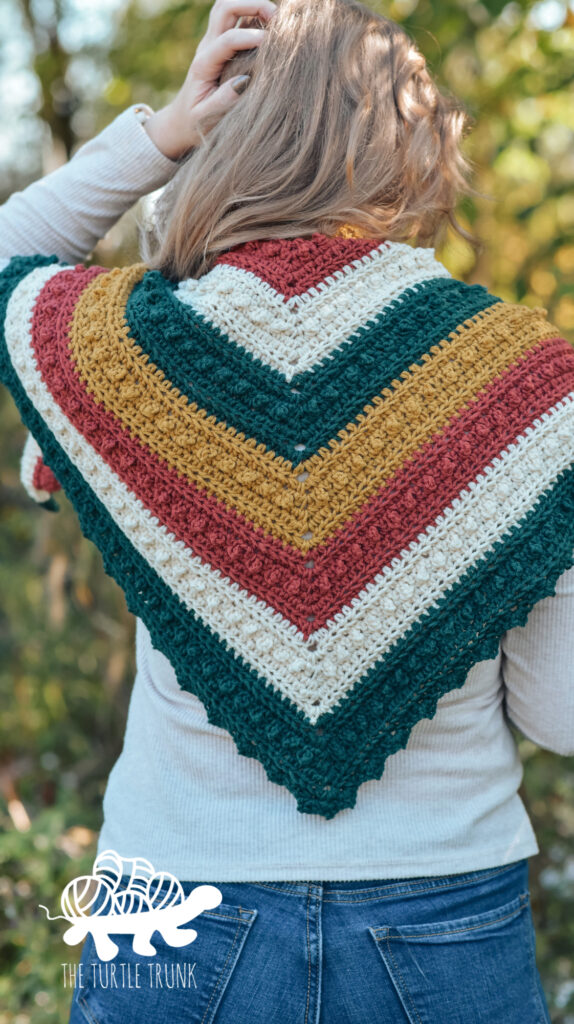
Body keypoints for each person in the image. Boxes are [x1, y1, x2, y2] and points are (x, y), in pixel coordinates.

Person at [0, 0, 573, 1020]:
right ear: (413, 144)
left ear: (236, 132)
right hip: (441, 907)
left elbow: (12, 251)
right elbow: (558, 711)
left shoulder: (129, 354)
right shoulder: (522, 383)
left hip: (169, 907)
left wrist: (164, 131)